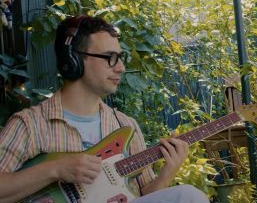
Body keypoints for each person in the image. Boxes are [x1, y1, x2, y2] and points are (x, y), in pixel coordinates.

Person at [0, 15, 210, 203]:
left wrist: (167, 172)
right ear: (74, 60)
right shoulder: (30, 124)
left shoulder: (126, 126)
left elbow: (143, 197)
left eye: (120, 58)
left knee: (187, 197)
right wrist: (56, 169)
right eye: (110, 57)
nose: (121, 67)